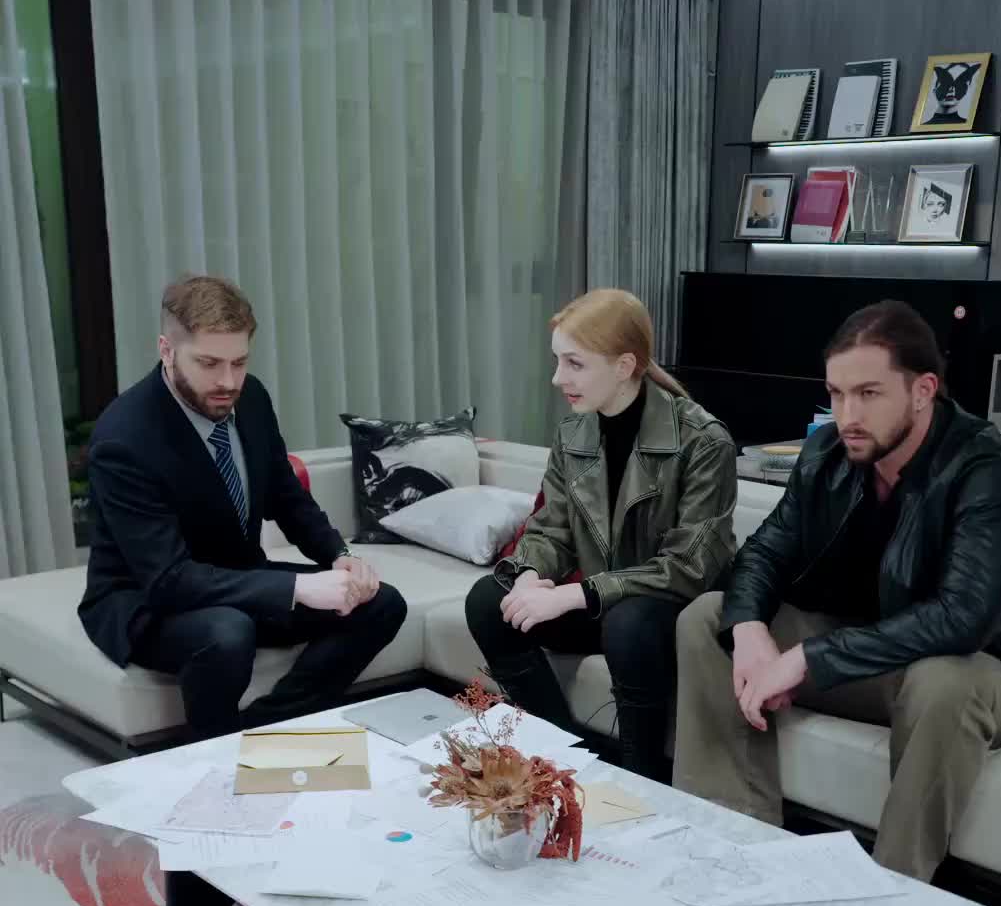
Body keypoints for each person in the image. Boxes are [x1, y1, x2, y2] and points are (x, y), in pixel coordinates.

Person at [673, 299, 1001, 881]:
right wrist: (750, 631)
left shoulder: (984, 468)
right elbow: (763, 554)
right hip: (869, 657)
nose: (847, 415)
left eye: (869, 394)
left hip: (985, 668)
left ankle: (896, 894)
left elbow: (963, 619)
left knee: (944, 682)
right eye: (836, 394)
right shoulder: (827, 453)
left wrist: (806, 658)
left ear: (923, 390)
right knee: (709, 618)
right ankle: (733, 850)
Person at [79, 275, 407, 741]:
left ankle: (267, 731)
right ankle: (214, 754)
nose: (228, 382)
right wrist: (297, 587)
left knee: (381, 603)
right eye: (209, 363)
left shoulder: (250, 398)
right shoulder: (124, 438)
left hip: (236, 577)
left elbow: (284, 494)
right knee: (228, 632)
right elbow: (168, 580)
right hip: (145, 601)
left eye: (239, 362)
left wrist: (339, 556)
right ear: (167, 350)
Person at [465, 288, 737, 781]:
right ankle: (564, 757)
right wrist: (528, 575)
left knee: (629, 624)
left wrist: (576, 594)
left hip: (668, 611)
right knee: (490, 600)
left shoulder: (703, 440)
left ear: (624, 365)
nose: (557, 378)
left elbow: (689, 566)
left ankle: (643, 780)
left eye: (574, 363)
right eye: (558, 361)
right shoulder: (574, 434)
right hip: (600, 603)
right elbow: (551, 528)